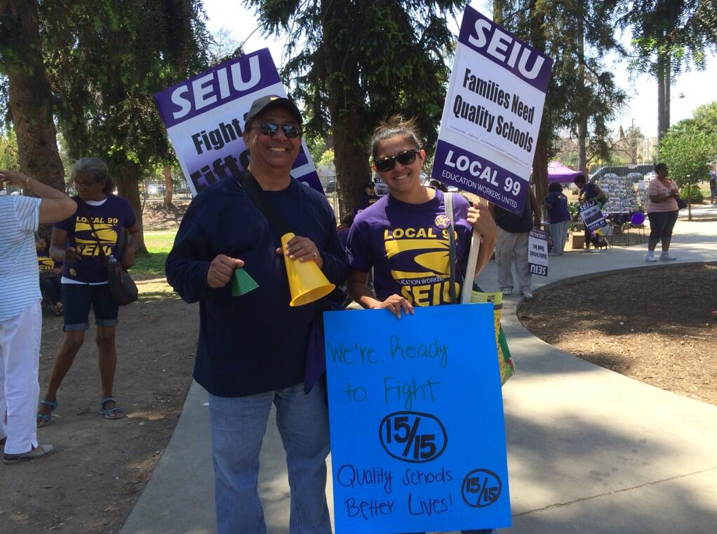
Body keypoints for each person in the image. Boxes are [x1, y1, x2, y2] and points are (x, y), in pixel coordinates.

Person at [165, 95, 348, 534]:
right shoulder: (214, 201)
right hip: (235, 368)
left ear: (299, 142)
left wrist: (321, 259)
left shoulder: (314, 203)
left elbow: (341, 270)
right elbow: (177, 268)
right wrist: (207, 272)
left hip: (303, 368)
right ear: (247, 137)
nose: (279, 137)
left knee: (308, 465)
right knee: (234, 475)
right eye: (267, 128)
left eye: (290, 129)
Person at [346, 116, 499, 534]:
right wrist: (377, 303)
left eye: (406, 157)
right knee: (409, 454)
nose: (398, 168)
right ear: (376, 170)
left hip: (454, 352)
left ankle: (474, 521)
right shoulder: (368, 221)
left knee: (465, 446)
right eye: (386, 163)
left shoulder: (459, 207)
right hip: (401, 358)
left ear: (422, 156)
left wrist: (491, 237)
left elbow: (469, 274)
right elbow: (356, 283)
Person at [36, 158, 139, 427]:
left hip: (107, 282)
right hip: (75, 280)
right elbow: (54, 247)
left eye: (86, 183)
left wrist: (129, 250)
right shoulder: (70, 207)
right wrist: (64, 254)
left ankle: (107, 397)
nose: (80, 188)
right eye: (77, 183)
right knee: (73, 340)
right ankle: (49, 398)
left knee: (106, 339)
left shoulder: (120, 206)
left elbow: (134, 231)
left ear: (102, 183)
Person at [1, 169, 76, 464]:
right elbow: (66, 205)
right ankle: (20, 444)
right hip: (17, 300)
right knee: (20, 373)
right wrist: (25, 181)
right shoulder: (14, 206)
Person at [491, 187, 540, 299]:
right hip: (504, 226)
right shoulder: (498, 181)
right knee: (503, 257)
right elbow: (491, 205)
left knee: (524, 259)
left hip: (525, 225)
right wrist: (496, 225)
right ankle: (505, 286)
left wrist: (537, 215)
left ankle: (525, 287)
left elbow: (532, 197)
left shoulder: (524, 180)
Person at [645, 162, 680, 262]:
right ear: (658, 171)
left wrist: (675, 195)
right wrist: (669, 196)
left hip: (672, 209)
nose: (666, 171)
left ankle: (665, 253)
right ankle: (650, 254)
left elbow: (677, 194)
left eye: (667, 169)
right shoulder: (654, 183)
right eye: (664, 169)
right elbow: (653, 199)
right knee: (656, 231)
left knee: (668, 231)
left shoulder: (670, 181)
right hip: (657, 212)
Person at [573, 174, 607, 251]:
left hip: (594, 211)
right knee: (587, 229)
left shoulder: (590, 186)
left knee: (595, 228)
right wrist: (577, 215)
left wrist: (594, 199)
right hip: (587, 213)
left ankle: (596, 245)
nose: (577, 186)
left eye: (577, 184)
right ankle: (587, 246)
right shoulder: (582, 191)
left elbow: (601, 193)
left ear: (581, 182)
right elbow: (582, 205)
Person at [36, 234, 64, 316]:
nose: (40, 246)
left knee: (59, 282)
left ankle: (59, 307)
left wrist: (60, 269)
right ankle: (59, 304)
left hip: (53, 273)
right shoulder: (33, 254)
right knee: (48, 284)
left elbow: (61, 265)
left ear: (46, 244)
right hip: (41, 275)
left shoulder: (50, 253)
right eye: (38, 243)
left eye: (42, 243)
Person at [543, 182, 570, 255]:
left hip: (557, 216)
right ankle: (561, 249)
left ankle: (556, 251)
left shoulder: (553, 194)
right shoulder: (564, 196)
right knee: (563, 234)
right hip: (566, 216)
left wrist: (545, 205)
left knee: (556, 234)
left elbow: (549, 204)